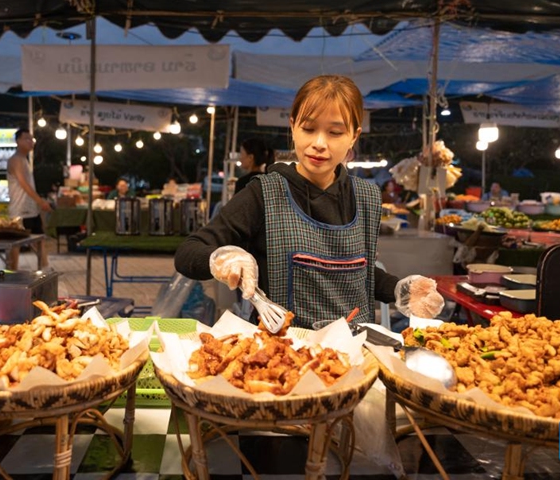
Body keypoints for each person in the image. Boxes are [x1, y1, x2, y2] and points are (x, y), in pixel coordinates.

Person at [175, 75, 444, 328]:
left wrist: (399, 290)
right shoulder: (264, 193)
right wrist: (219, 258)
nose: (318, 143)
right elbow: (188, 252)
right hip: (283, 352)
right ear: (293, 126)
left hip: (354, 351)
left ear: (354, 136)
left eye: (335, 132)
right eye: (308, 128)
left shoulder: (367, 197)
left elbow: (359, 276)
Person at [6, 128, 52, 270]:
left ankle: (44, 269)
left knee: (40, 239)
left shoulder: (25, 159)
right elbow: (24, 184)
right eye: (27, 139)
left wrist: (37, 203)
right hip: (19, 211)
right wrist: (40, 201)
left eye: (32, 139)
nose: (31, 142)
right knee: (15, 245)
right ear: (18, 141)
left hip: (30, 209)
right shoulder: (15, 160)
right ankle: (11, 272)